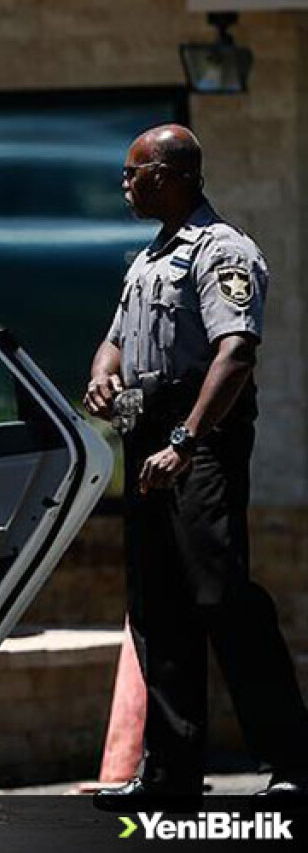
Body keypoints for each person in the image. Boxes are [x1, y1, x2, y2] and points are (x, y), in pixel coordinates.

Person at [85, 124, 308, 803]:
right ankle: (170, 772)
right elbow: (116, 340)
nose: (125, 183)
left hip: (199, 435)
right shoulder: (149, 257)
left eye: (134, 172)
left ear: (171, 173)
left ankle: (294, 756)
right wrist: (102, 374)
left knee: (219, 593)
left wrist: (183, 441)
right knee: (157, 604)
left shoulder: (222, 250)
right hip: (147, 429)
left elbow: (236, 351)